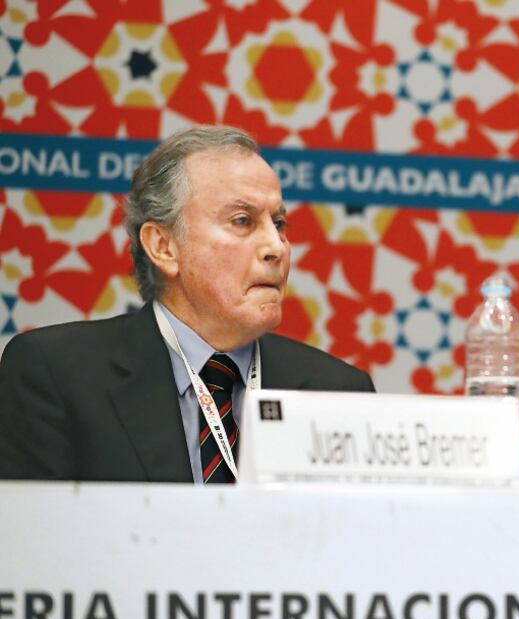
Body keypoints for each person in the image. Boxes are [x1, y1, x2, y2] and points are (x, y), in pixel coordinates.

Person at [0, 125, 374, 483]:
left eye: (278, 223)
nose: (276, 247)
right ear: (164, 247)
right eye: (243, 221)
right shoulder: (55, 375)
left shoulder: (339, 391)